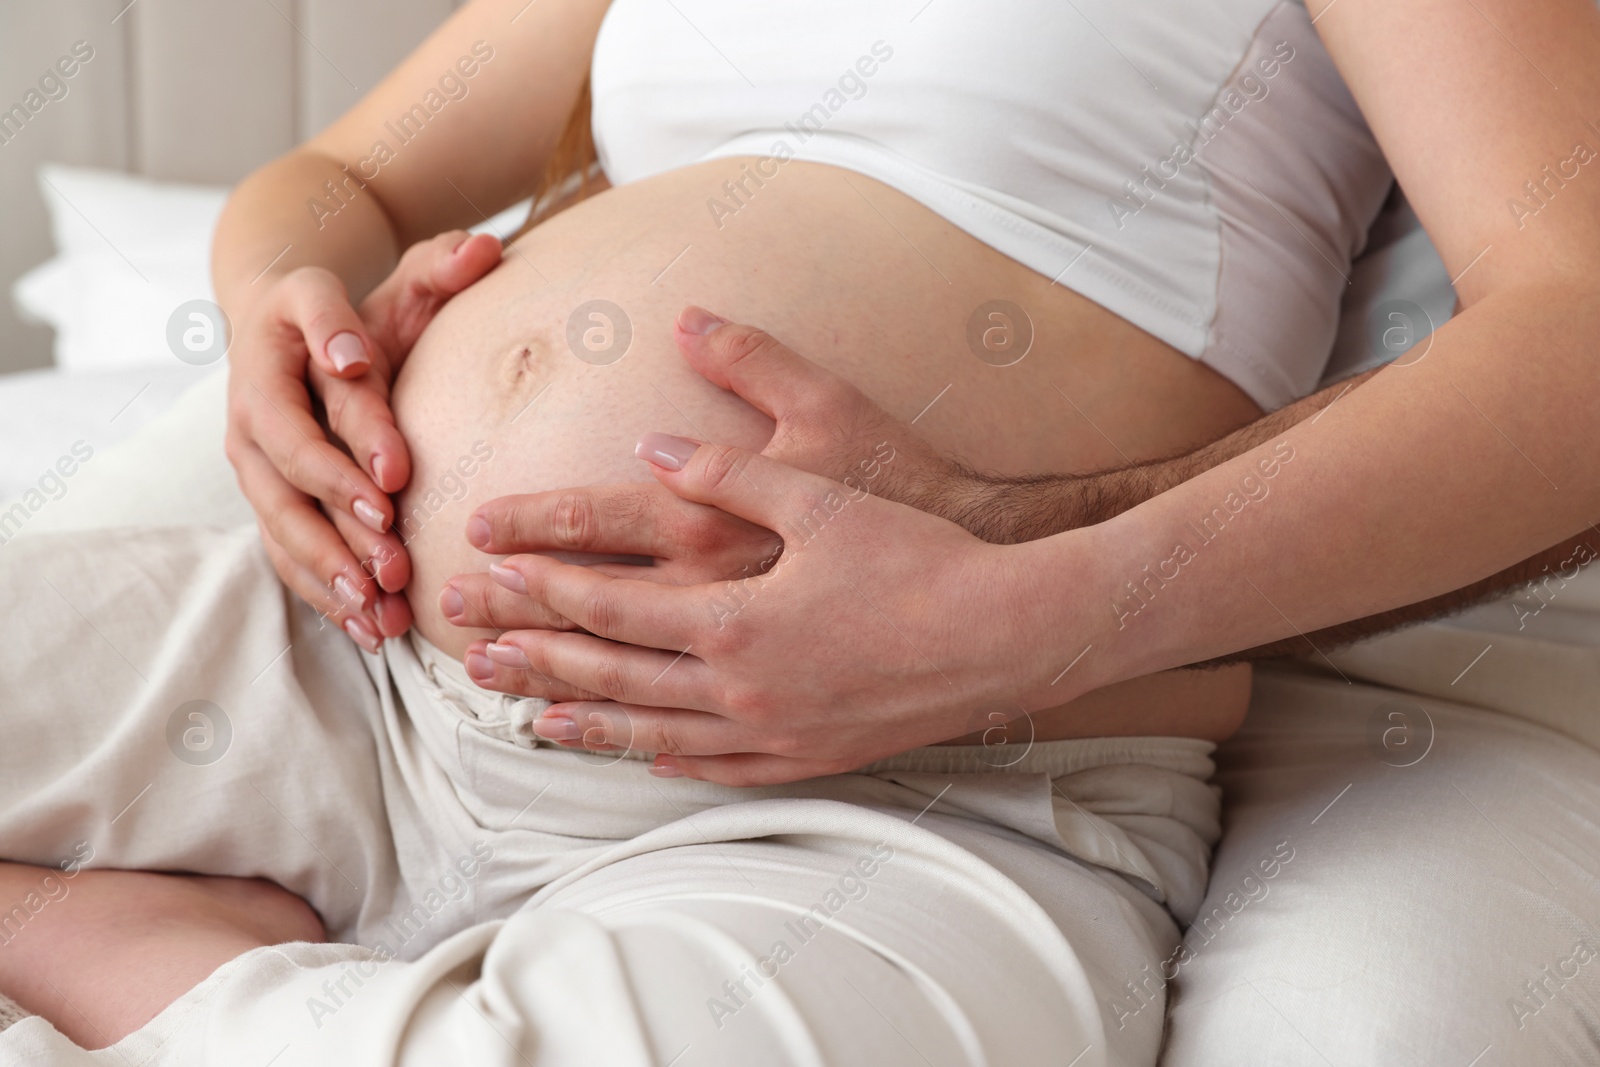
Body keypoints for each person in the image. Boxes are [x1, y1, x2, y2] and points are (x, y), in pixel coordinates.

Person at [2, 1, 1598, 1065]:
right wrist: (279, 294)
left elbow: (1576, 330)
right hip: (350, 647)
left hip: (923, 789)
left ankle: (126, 960)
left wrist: (1037, 610)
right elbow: (347, 172)